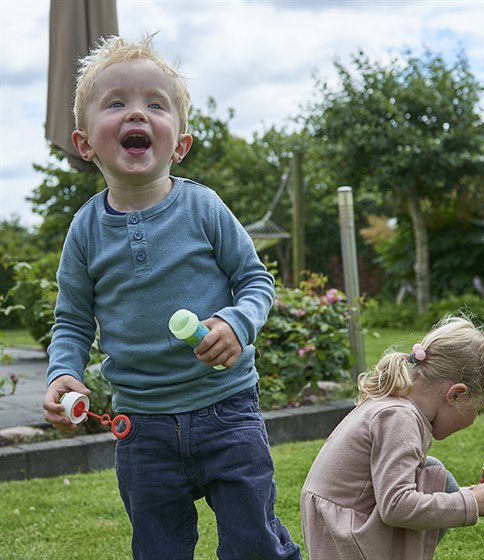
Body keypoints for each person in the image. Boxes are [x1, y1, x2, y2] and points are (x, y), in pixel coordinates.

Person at [43, 34, 301, 560]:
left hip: (227, 409)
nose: (136, 112)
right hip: (142, 427)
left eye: (154, 104)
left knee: (254, 542)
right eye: (116, 103)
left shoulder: (203, 208)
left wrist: (236, 323)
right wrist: (63, 372)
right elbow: (72, 320)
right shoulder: (85, 230)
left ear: (179, 143)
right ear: (85, 142)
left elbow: (256, 281)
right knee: (158, 548)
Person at [300, 316, 484, 560]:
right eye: (478, 409)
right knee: (437, 476)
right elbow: (396, 507)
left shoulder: (397, 407)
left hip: (345, 524)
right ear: (455, 395)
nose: (474, 419)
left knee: (434, 473)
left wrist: (467, 494)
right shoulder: (399, 418)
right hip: (347, 537)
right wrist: (471, 504)